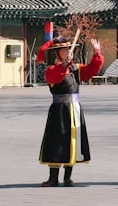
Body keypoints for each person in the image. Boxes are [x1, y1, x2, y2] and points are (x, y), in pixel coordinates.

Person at [38, 35, 104, 187]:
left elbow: (92, 70)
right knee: (56, 142)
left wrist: (97, 53)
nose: (68, 52)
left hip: (74, 109)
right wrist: (64, 65)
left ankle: (68, 177)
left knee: (73, 141)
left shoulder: (76, 69)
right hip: (59, 111)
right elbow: (55, 77)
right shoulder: (51, 69)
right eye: (64, 50)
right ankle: (53, 178)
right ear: (57, 53)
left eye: (69, 49)